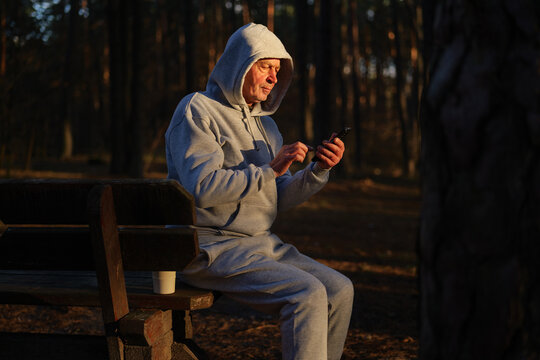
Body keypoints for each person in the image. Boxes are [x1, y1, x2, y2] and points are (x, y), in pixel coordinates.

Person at [165, 23, 354, 360]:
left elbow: (275, 196)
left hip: (260, 244)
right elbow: (202, 188)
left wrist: (317, 172)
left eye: (278, 71)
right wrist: (268, 170)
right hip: (207, 245)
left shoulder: (267, 126)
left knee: (339, 290)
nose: (273, 78)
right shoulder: (198, 110)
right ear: (240, 63)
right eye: (266, 66)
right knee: (306, 294)